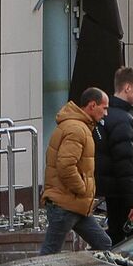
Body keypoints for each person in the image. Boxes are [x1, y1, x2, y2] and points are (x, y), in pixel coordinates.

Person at [39, 87, 113, 255]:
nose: (106, 113)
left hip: (75, 204)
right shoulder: (77, 129)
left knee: (104, 244)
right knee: (49, 254)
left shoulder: (79, 127)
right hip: (67, 203)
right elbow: (66, 166)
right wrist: (82, 189)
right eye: (105, 107)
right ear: (92, 105)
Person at [96, 66, 133, 244]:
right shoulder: (124, 120)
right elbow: (126, 164)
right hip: (128, 193)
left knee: (117, 237)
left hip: (112, 191)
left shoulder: (104, 116)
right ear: (127, 88)